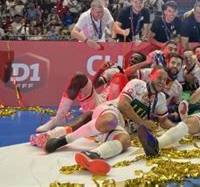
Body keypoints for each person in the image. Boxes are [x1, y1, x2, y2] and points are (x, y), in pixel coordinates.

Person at [43, 67, 175, 175]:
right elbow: (122, 105)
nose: (162, 82)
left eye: (165, 80)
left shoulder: (161, 98)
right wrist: (142, 122)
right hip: (110, 110)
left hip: (122, 126)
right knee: (110, 121)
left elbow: (163, 121)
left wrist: (178, 126)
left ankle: (94, 155)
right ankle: (64, 139)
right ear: (151, 76)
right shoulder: (137, 84)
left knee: (126, 140)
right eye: (159, 78)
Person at [34, 61, 126, 133]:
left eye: (136, 59)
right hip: (98, 101)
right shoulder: (115, 71)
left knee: (85, 121)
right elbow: (94, 85)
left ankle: (58, 134)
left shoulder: (137, 77)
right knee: (79, 77)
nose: (132, 60)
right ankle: (59, 118)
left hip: (111, 109)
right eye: (131, 58)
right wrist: (101, 70)